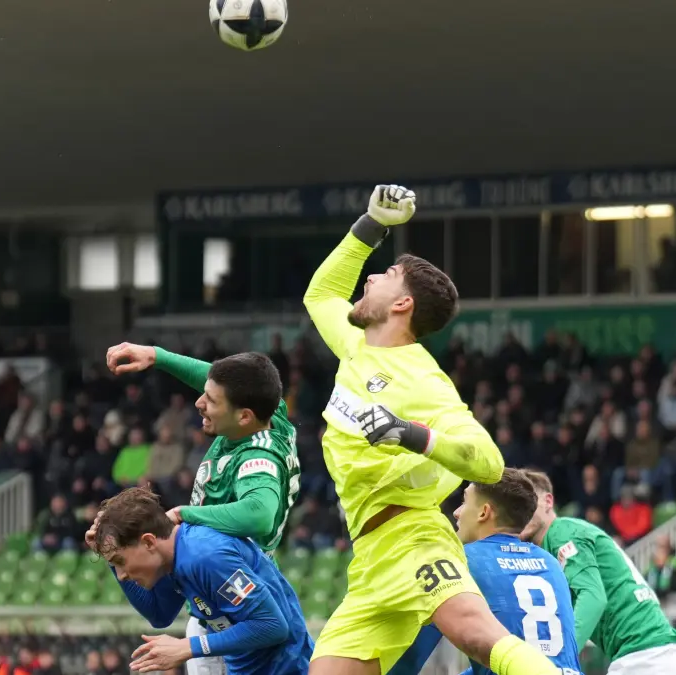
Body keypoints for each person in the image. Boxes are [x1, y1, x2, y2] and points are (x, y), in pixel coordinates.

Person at [302, 185, 558, 675]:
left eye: (388, 274)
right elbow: (322, 294)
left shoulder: (423, 380)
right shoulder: (357, 345)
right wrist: (370, 226)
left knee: (476, 635)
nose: (372, 276)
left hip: (414, 536)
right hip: (370, 556)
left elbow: (488, 461)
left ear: (402, 305)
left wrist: (412, 434)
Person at [106, 343, 301, 675]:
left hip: (234, 603)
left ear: (243, 416)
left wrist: (186, 513)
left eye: (210, 401)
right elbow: (219, 381)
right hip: (213, 600)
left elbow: (260, 512)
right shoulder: (264, 412)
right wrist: (157, 357)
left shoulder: (257, 462)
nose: (199, 402)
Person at [86, 488, 312, 674]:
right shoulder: (172, 560)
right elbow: (159, 614)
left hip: (286, 668)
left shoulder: (205, 555)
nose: (122, 574)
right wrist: (108, 554)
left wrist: (188, 647)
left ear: (148, 542)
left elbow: (272, 625)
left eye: (120, 561)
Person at [389, 468, 582, 675]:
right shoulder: (550, 562)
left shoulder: (460, 560)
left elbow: (411, 656)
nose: (456, 512)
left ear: (484, 512)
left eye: (464, 501)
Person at [518, 469, 676, 675]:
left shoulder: (562, 533)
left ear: (548, 501)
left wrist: (559, 659)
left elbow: (593, 598)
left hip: (647, 659)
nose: (520, 511)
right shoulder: (557, 543)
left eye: (527, 501)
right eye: (514, 507)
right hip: (661, 656)